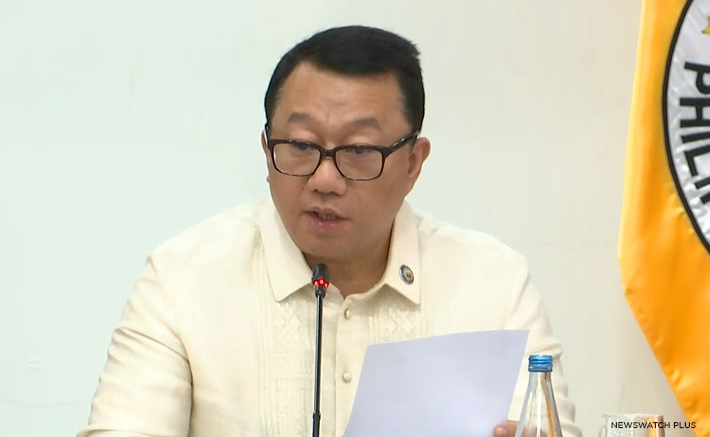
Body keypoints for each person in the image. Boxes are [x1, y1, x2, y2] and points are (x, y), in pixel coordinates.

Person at [78, 25, 581, 437]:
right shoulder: (182, 279)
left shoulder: (495, 286)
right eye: (300, 146)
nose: (324, 179)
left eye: (358, 151)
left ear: (413, 163)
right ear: (267, 149)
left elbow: (547, 427)